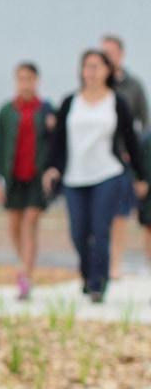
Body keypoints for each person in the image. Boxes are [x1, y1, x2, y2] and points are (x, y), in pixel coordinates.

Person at [44, 49, 149, 304]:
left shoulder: (116, 101)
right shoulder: (70, 102)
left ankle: (98, 283)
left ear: (107, 71)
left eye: (95, 66)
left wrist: (140, 176)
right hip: (74, 177)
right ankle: (87, 271)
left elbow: (131, 141)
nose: (90, 71)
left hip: (107, 174)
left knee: (100, 229)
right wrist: (52, 167)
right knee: (79, 232)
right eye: (86, 66)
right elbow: (58, 142)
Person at [0, 62, 56, 301]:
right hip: (13, 176)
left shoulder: (46, 111)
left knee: (30, 222)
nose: (25, 83)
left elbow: (56, 144)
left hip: (36, 178)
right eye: (20, 79)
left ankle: (25, 276)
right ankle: (25, 265)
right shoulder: (7, 111)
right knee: (14, 226)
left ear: (36, 81)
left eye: (29, 78)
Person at [101, 35, 149, 280]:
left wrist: (136, 153)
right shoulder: (95, 86)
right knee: (99, 214)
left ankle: (115, 263)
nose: (107, 56)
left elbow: (144, 122)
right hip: (97, 159)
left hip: (123, 159)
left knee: (120, 213)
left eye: (111, 52)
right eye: (103, 52)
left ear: (121, 54)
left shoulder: (133, 87)